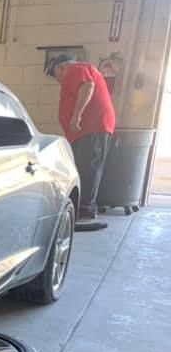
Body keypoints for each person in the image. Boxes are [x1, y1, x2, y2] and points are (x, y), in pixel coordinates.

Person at [46, 54, 116, 231]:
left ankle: (84, 213)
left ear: (61, 67)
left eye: (56, 75)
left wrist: (76, 116)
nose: (58, 80)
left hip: (91, 127)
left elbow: (87, 86)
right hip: (89, 129)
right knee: (84, 167)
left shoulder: (75, 69)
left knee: (87, 168)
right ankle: (84, 209)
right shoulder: (79, 71)